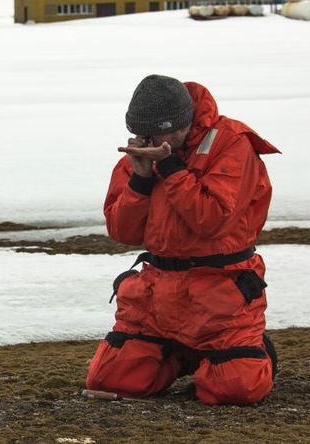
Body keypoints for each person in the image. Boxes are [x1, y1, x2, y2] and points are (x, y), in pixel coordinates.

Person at [85, 74, 280, 405]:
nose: (145, 140)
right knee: (109, 380)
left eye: (154, 133)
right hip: (157, 294)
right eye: (139, 133)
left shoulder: (232, 144)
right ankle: (185, 354)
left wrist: (172, 169)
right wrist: (141, 181)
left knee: (235, 389)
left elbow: (211, 219)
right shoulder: (143, 154)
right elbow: (123, 232)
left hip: (219, 290)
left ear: (180, 125)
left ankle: (251, 350)